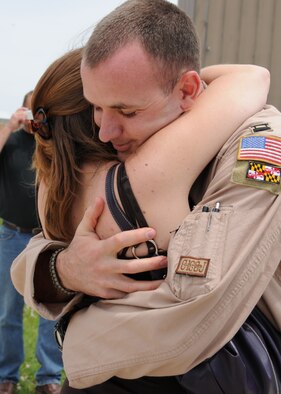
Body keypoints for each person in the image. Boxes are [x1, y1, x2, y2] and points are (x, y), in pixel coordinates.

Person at [11, 0, 280, 392]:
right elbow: (39, 251)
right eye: (97, 109)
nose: (105, 131)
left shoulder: (261, 146)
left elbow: (199, 302)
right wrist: (65, 268)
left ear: (187, 90)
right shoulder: (125, 158)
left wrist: (80, 339)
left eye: (126, 109)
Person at [0, 92, 63, 394]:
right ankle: (6, 376)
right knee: (7, 312)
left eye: (39, 112)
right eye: (29, 110)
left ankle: (49, 378)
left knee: (49, 310)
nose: (33, 118)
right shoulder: (10, 140)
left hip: (47, 237)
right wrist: (10, 126)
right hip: (11, 235)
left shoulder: (51, 145)